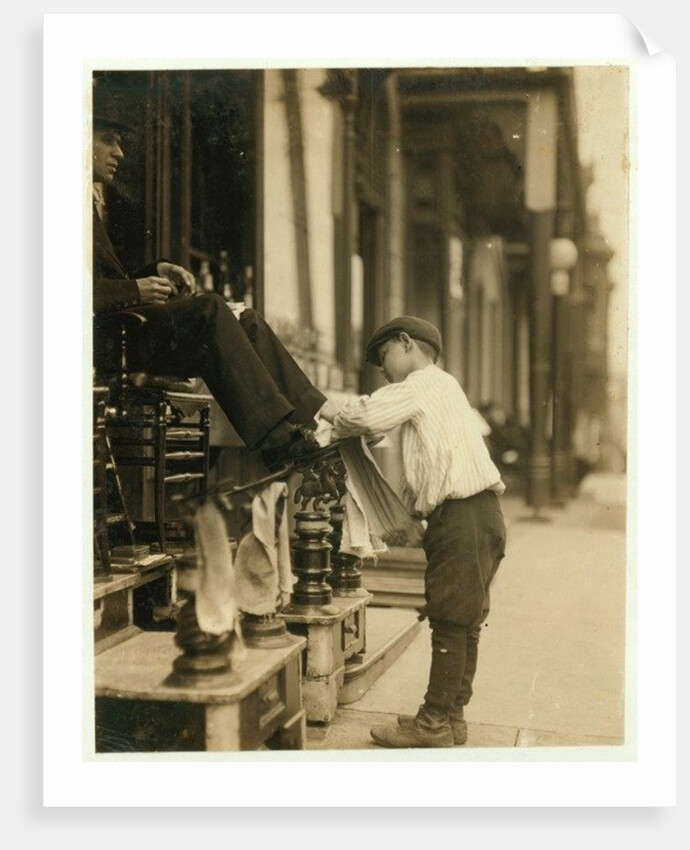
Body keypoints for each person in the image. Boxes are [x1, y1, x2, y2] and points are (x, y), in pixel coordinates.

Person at [91, 89, 325, 470]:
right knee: (212, 309)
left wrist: (154, 273)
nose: (119, 152)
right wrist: (134, 290)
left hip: (122, 332)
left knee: (243, 319)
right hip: (102, 345)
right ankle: (278, 441)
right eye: (107, 140)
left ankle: (309, 424)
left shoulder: (95, 202)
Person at [319, 316, 507, 748]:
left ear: (406, 343)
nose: (382, 371)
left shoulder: (423, 383)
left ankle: (433, 722)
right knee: (466, 620)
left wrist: (328, 410)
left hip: (463, 515)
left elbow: (366, 414)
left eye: (384, 358)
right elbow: (420, 463)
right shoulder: (443, 390)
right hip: (479, 515)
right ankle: (452, 716)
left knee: (449, 619)